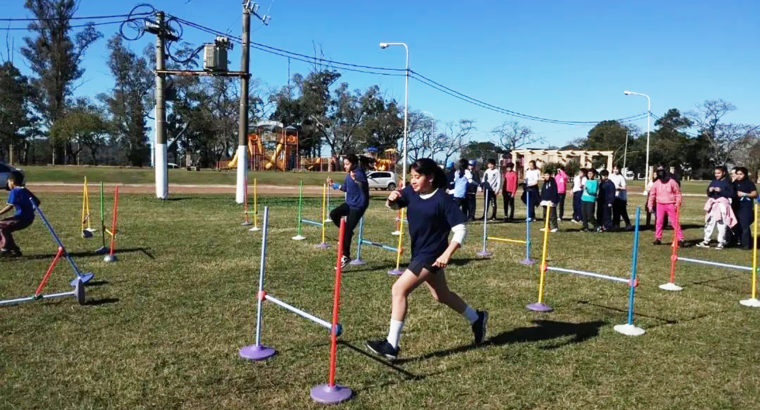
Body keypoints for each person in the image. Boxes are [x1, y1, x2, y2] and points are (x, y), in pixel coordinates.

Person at [365, 158, 487, 360]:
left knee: (399, 289)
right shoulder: (411, 193)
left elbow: (460, 229)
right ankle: (477, 318)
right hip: (419, 252)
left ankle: (391, 345)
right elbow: (394, 206)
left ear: (429, 177)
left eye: (417, 177)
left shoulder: (443, 199)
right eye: (411, 176)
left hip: (431, 255)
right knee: (441, 296)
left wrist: (447, 254)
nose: (412, 181)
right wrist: (391, 198)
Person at [327, 154, 372, 267]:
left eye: (347, 164)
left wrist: (356, 179)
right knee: (333, 214)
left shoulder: (358, 173)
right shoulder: (348, 175)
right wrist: (334, 185)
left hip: (358, 206)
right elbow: (346, 188)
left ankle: (346, 256)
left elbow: (363, 185)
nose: (345, 166)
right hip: (349, 204)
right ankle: (348, 233)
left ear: (354, 164)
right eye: (344, 164)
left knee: (346, 230)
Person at [696, 165, 736, 249]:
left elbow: (732, 194)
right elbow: (708, 193)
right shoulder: (714, 181)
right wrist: (710, 191)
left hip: (722, 206)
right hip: (713, 205)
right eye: (715, 173)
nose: (716, 175)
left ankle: (721, 242)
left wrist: (721, 191)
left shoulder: (728, 182)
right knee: (709, 222)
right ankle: (706, 241)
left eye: (718, 173)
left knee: (721, 224)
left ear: (723, 173)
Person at [0, 171, 38, 257]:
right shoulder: (25, 190)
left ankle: (5, 249)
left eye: (8, 181)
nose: (8, 184)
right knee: (5, 229)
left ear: (12, 182)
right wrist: (31, 211)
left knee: (1, 226)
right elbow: (37, 202)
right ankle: (14, 250)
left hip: (20, 219)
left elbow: (10, 206)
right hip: (28, 218)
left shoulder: (14, 191)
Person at [647, 168, 684, 246]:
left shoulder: (672, 182)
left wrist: (677, 204)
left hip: (671, 204)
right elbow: (652, 195)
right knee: (659, 222)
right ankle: (658, 238)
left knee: (675, 222)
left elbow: (678, 193)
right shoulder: (656, 183)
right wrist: (650, 205)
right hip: (659, 204)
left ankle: (680, 239)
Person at [731, 167, 758, 250]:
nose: (739, 176)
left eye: (741, 174)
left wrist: (744, 194)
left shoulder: (749, 183)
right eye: (737, 174)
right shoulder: (733, 183)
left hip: (746, 206)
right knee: (735, 225)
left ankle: (746, 245)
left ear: (745, 175)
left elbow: (755, 194)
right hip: (735, 206)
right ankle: (737, 241)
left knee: (744, 225)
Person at [609, 166, 632, 230]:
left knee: (623, 212)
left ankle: (628, 224)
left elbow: (624, 187)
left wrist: (618, 188)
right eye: (614, 169)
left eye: (617, 169)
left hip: (621, 197)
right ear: (613, 169)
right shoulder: (610, 176)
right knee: (615, 212)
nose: (615, 170)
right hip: (613, 197)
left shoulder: (621, 177)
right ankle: (616, 225)